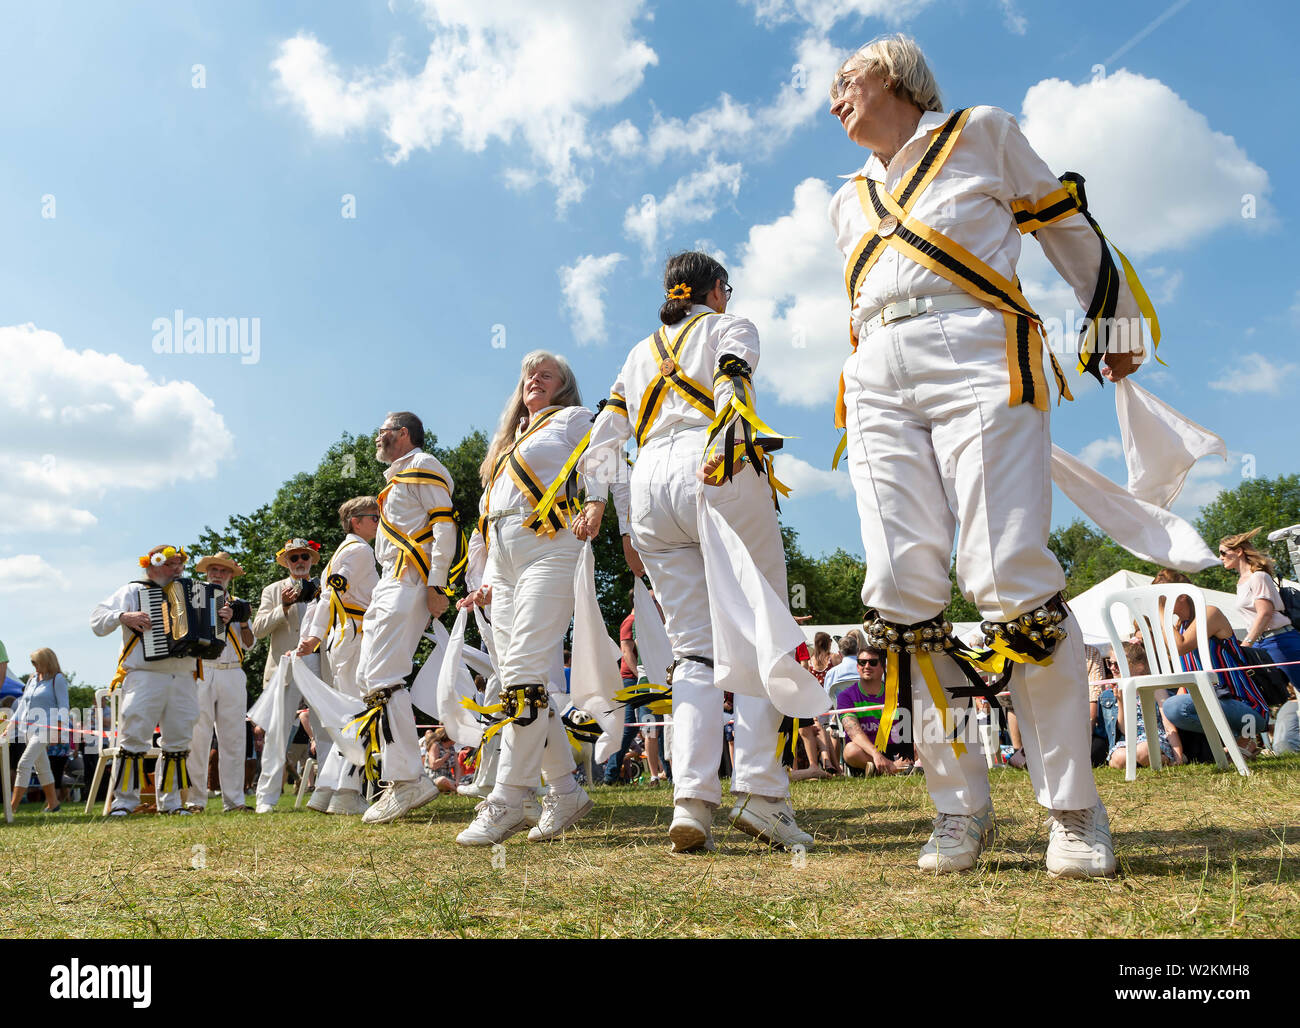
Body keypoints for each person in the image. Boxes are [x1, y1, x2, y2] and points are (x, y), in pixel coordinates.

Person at [825, 34, 1149, 877]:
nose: (835, 99)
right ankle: (958, 805)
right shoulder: (843, 199)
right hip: (874, 375)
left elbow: (1064, 221)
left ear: (894, 76)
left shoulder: (983, 131)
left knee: (1007, 574)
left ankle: (1073, 808)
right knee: (898, 590)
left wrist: (1112, 326)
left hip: (977, 345)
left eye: (846, 81)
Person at [582, 250, 816, 853]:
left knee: (693, 653)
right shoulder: (727, 326)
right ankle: (762, 793)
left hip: (651, 484)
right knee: (765, 624)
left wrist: (610, 512)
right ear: (715, 290)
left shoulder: (636, 355)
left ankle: (691, 802)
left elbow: (604, 439)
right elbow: (734, 378)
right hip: (716, 461)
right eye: (727, 289)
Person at [455, 351, 620, 845]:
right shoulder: (506, 445)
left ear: (563, 387)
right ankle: (567, 791)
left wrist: (595, 502)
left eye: (547, 374)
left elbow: (605, 450)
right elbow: (487, 518)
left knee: (524, 673)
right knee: (517, 678)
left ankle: (509, 797)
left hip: (551, 542)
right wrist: (482, 577)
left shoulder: (572, 418)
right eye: (530, 373)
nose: (535, 379)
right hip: (505, 558)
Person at [356, 411, 461, 824]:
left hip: (408, 579)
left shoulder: (423, 465)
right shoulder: (399, 476)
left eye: (382, 431)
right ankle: (402, 777)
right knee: (369, 677)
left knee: (382, 677)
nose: (377, 438)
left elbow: (445, 527)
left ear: (402, 433)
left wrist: (438, 585)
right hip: (391, 581)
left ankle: (407, 780)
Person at [90, 545, 208, 815]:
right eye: (171, 564)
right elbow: (97, 619)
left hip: (184, 675)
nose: (178, 569)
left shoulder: (196, 592)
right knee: (133, 738)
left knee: (178, 741)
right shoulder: (133, 591)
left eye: (180, 564)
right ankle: (124, 802)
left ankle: (171, 803)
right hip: (144, 675)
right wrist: (123, 616)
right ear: (151, 566)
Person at [297, 497, 381, 816]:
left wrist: (313, 636)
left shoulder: (341, 554)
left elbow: (325, 598)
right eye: (373, 517)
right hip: (355, 637)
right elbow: (332, 594)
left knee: (352, 716)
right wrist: (313, 636)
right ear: (355, 522)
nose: (378, 521)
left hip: (343, 637)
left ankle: (326, 790)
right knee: (361, 714)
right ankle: (346, 792)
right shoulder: (360, 551)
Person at [1153, 568, 1271, 759]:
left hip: (1247, 709)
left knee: (1176, 706)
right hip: (1213, 703)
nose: (1159, 600)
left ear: (1182, 596)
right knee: (1173, 708)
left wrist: (1159, 611)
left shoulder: (1210, 614)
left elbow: (1180, 647)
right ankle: (1239, 741)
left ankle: (1245, 737)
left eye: (1161, 595)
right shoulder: (1180, 627)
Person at [250, 537, 322, 812]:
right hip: (285, 668)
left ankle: (325, 792)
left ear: (311, 560)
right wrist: (283, 608)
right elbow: (258, 630)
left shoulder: (323, 587)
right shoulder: (273, 590)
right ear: (287, 563)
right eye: (294, 558)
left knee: (324, 729)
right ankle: (265, 798)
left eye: (305, 557)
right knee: (277, 733)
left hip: (318, 664)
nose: (300, 562)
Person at [184, 552, 254, 813]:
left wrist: (241, 620)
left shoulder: (240, 605)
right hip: (202, 669)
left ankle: (234, 800)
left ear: (230, 576)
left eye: (223, 571)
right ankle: (195, 800)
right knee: (198, 738)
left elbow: (249, 643)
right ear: (206, 573)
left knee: (234, 738)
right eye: (213, 569)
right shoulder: (193, 601)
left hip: (233, 670)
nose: (217, 574)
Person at [1220, 528, 1300, 692]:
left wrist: (1247, 643)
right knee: (1272, 693)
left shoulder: (1258, 577)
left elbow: (1265, 613)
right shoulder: (1242, 582)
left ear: (1239, 551)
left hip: (1280, 641)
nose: (1220, 557)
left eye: (1222, 552)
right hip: (1262, 643)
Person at [10, 648, 71, 813]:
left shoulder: (57, 679)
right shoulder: (32, 680)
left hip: (46, 728)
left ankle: (11, 808)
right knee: (42, 767)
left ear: (47, 661)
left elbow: (64, 705)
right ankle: (53, 804)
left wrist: (59, 729)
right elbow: (22, 705)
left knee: (23, 764)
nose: (34, 665)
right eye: (32, 662)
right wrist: (10, 726)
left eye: (36, 662)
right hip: (28, 729)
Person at [836, 647, 914, 776]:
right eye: (862, 662)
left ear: (883, 667)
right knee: (850, 751)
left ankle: (882, 770)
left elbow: (909, 727)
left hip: (896, 749)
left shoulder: (897, 694)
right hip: (866, 751)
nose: (867, 666)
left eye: (872, 662)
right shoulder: (846, 696)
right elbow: (853, 731)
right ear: (857, 666)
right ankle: (893, 769)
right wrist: (876, 754)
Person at [1108, 640, 1182, 769]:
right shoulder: (1119, 690)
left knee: (1144, 750)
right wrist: (1120, 702)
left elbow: (1169, 726)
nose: (1112, 668)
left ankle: (1159, 759)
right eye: (1110, 663)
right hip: (1131, 740)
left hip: (1154, 737)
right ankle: (1144, 761)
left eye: (1117, 664)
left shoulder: (1155, 688)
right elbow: (1125, 730)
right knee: (1118, 757)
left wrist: (1179, 757)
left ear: (1139, 667)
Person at [822, 631, 862, 700]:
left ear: (840, 654)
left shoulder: (831, 673)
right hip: (867, 709)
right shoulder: (869, 671)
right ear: (858, 651)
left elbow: (827, 699)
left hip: (841, 709)